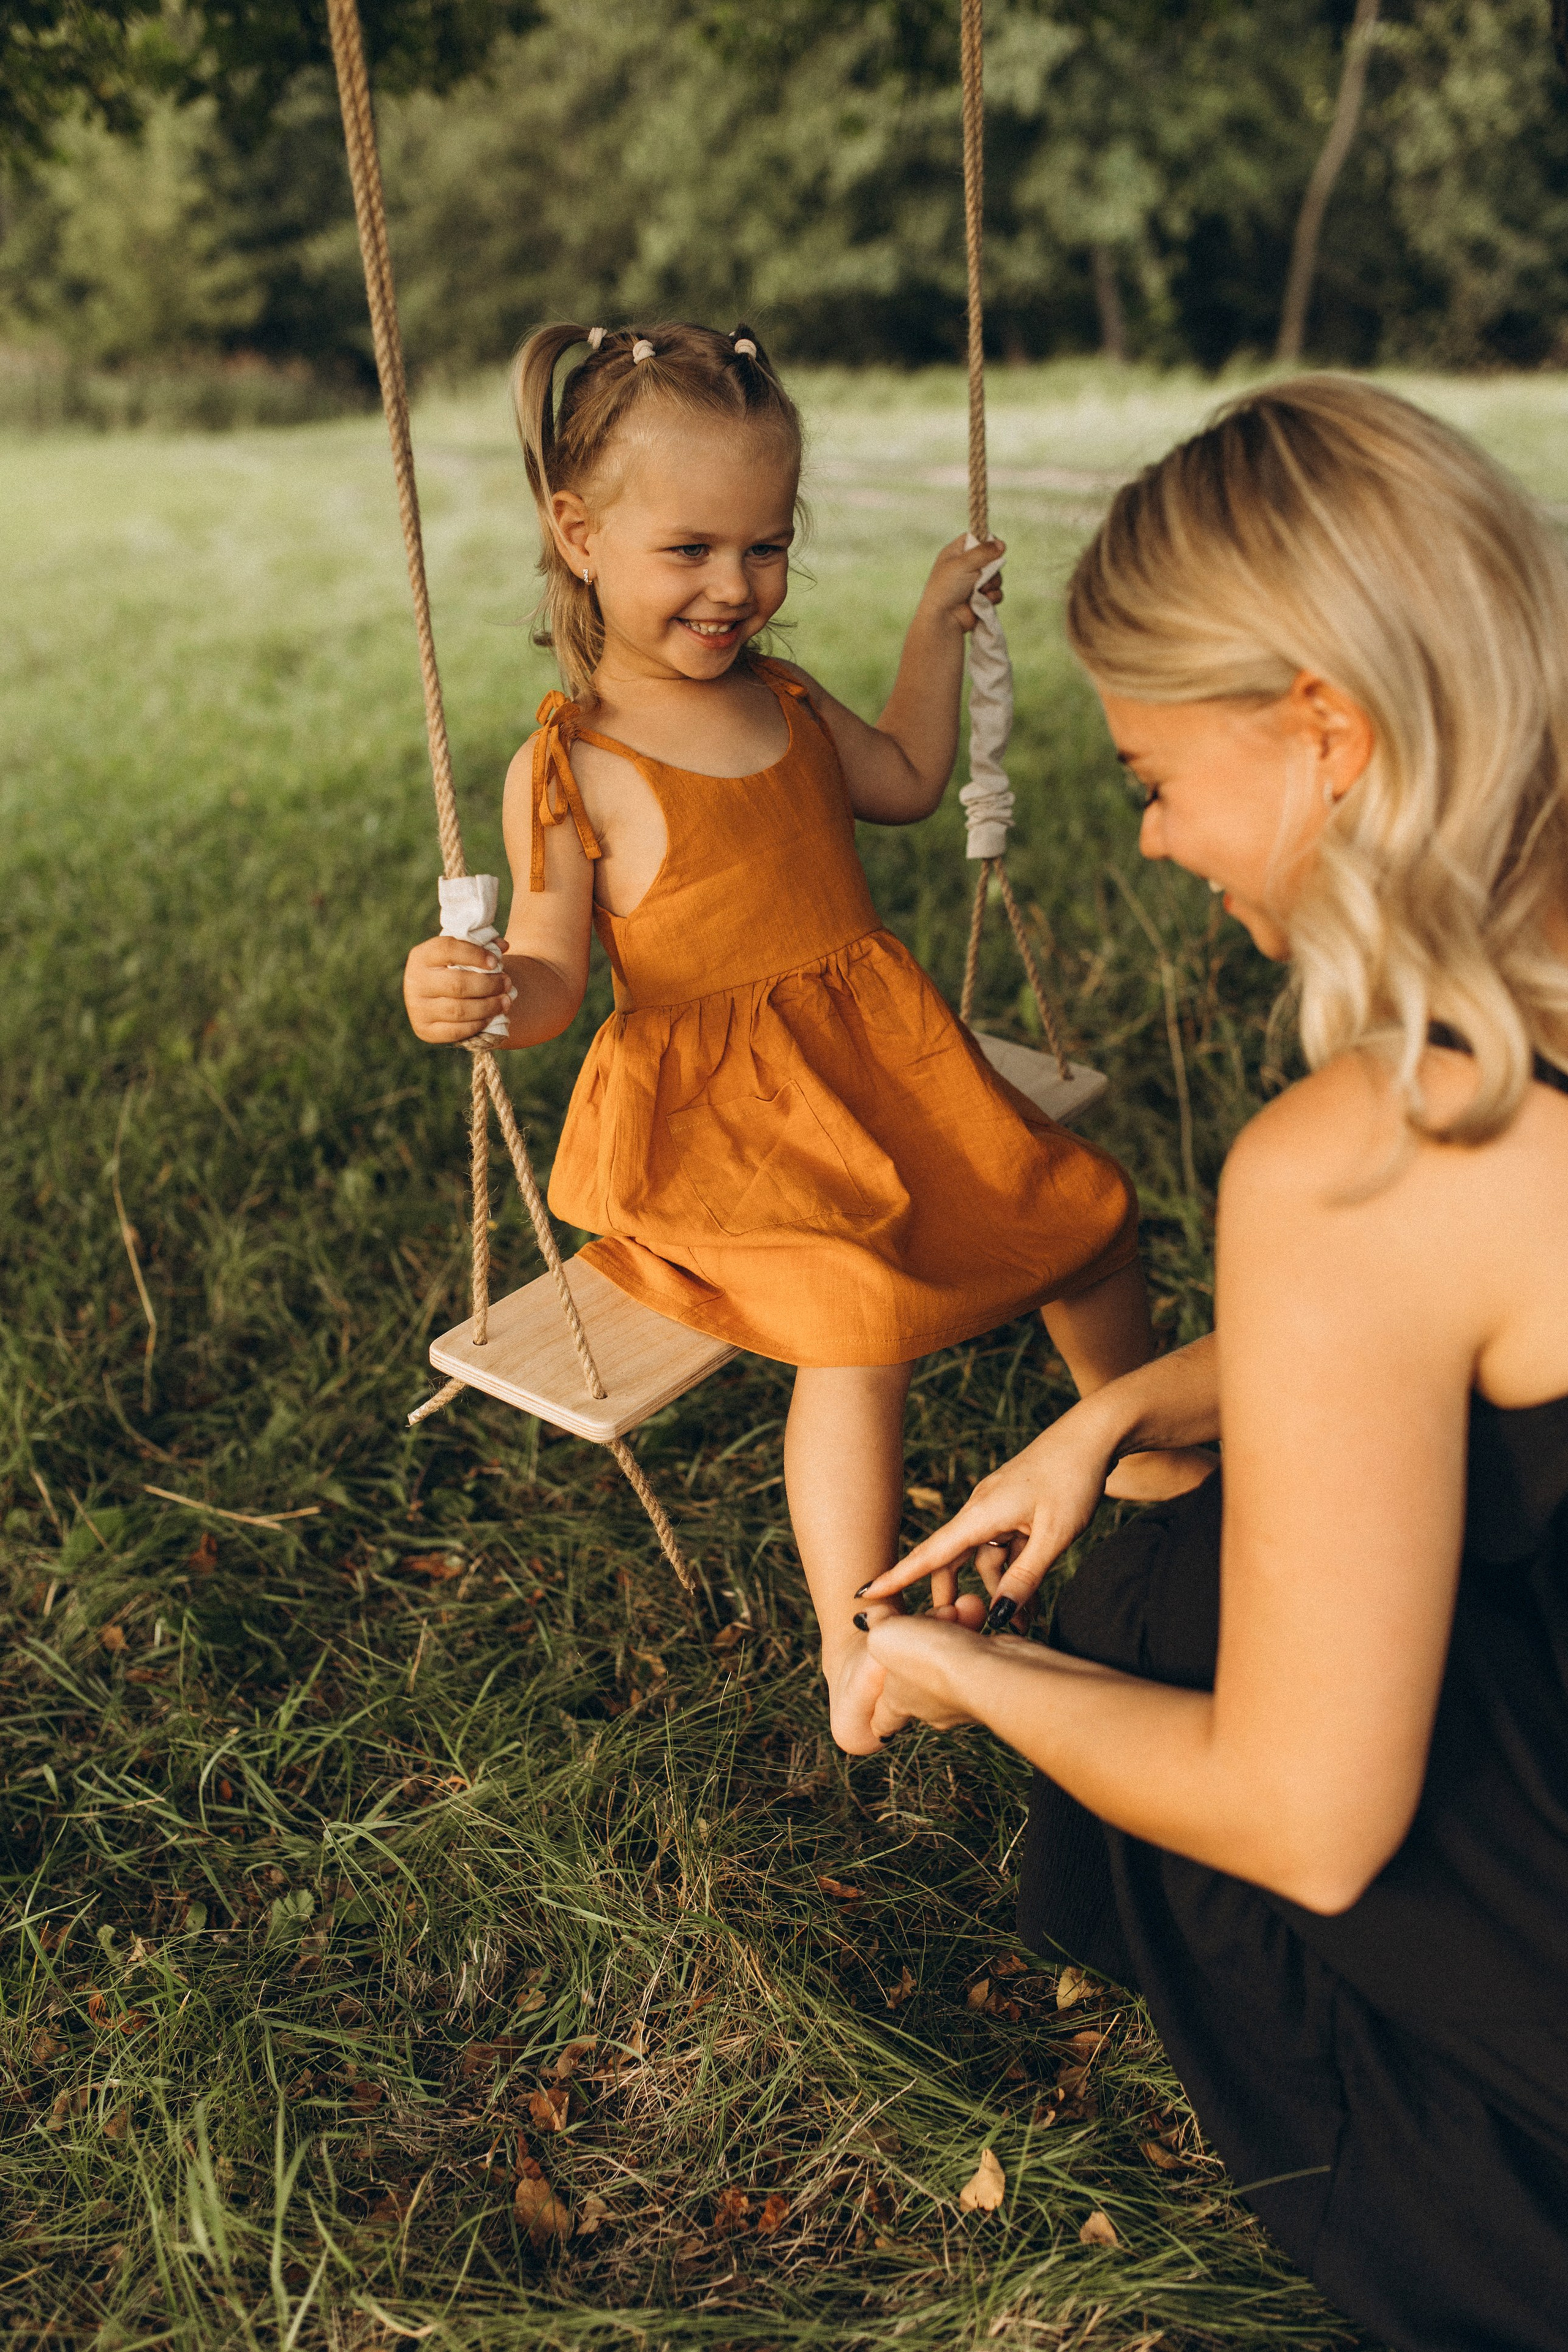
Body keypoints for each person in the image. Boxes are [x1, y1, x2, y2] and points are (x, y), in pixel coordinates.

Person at [854, 376, 1568, 2351]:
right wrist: (1112, 1413)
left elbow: (1310, 1819)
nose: (1160, 841)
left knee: (1161, 1607)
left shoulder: (1366, 1159)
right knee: (1176, 1501)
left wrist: (972, 1673)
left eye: (1156, 778)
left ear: (1329, 729)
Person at [402, 319, 1207, 1755]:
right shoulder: (570, 765)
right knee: (855, 1317)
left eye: (765, 546)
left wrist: (933, 630)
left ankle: (1145, 1461)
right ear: (578, 535)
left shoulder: (781, 695)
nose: (735, 586)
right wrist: (474, 996)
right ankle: (858, 1641)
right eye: (691, 549)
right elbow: (549, 978)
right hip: (719, 1126)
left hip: (873, 1064)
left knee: (1083, 1211)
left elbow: (902, 780)